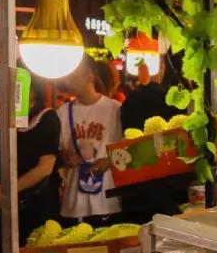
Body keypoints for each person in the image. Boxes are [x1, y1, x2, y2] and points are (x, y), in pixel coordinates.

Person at [0, 79, 61, 253]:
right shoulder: (1, 118)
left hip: (37, 205)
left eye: (20, 84)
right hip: (5, 208)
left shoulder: (47, 118)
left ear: (34, 90)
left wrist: (9, 190)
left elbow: (45, 167)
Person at [119, 61, 190, 223]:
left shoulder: (127, 104)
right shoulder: (174, 101)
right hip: (171, 188)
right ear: (161, 68)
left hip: (136, 190)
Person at [57, 55, 122, 224]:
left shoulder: (114, 109)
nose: (68, 81)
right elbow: (57, 151)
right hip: (74, 203)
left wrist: (109, 160)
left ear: (89, 74)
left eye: (73, 75)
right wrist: (64, 155)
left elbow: (127, 150)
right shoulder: (62, 113)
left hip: (106, 203)